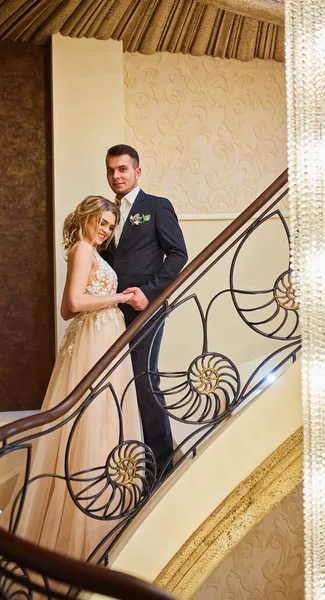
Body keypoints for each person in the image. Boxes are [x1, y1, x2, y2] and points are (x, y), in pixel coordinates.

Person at [0, 196, 143, 571]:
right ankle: (79, 531)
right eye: (101, 222)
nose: (105, 230)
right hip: (93, 340)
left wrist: (115, 300)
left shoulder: (91, 251)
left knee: (106, 418)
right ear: (87, 218)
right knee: (91, 419)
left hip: (104, 337)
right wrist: (119, 297)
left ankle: (106, 516)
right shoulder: (82, 249)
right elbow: (70, 305)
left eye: (110, 225)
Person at [102, 144, 188, 477]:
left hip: (145, 308)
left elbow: (178, 254)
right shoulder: (106, 211)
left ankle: (163, 464)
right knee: (116, 383)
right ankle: (130, 458)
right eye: (110, 170)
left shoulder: (156, 207)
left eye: (122, 169)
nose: (116, 176)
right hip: (110, 311)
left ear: (137, 172)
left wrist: (149, 294)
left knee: (142, 380)